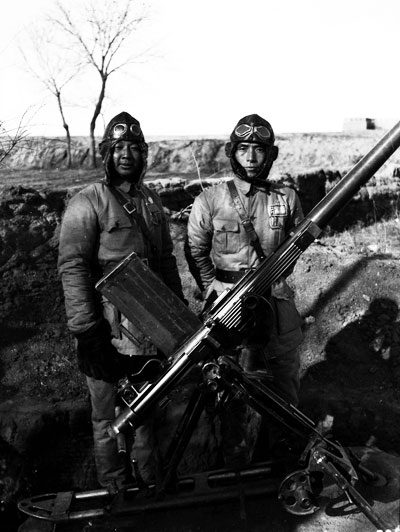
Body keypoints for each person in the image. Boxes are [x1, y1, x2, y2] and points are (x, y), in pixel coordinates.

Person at [58, 111, 186, 489]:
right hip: (107, 330)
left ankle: (149, 487)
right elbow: (73, 268)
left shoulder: (152, 202)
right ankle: (113, 490)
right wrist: (88, 333)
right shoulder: (88, 202)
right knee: (105, 417)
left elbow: (166, 263)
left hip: (151, 328)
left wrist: (178, 320)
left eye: (133, 147)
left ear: (143, 154)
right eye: (118, 148)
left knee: (145, 411)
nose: (126, 155)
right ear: (107, 154)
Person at [185, 113, 304, 467]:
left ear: (270, 154)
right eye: (244, 149)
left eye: (259, 149)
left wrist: (272, 278)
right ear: (232, 152)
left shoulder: (286, 198)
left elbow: (297, 245)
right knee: (228, 390)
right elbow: (195, 249)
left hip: (276, 308)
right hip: (228, 308)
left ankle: (281, 467)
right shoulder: (211, 200)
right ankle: (232, 467)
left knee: (283, 387)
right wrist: (214, 287)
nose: (251, 157)